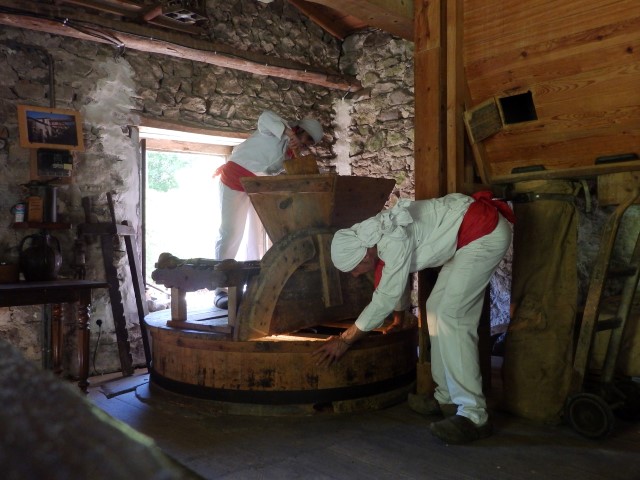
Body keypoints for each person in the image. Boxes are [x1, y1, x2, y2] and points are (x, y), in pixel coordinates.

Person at [313, 192, 514, 444]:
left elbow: (384, 298)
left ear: (365, 255)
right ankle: (446, 398)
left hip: (483, 235)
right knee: (434, 308)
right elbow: (393, 283)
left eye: (354, 269)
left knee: (452, 316)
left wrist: (345, 339)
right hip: (466, 241)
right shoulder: (375, 237)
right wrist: (398, 319)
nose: (354, 276)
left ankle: (474, 415)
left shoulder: (390, 240)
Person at [213, 110, 324, 309]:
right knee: (230, 232)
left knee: (257, 236)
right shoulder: (274, 130)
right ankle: (220, 288)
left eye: (309, 145)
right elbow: (264, 116)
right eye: (306, 140)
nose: (305, 146)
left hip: (257, 187)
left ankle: (252, 286)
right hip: (233, 180)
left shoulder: (289, 155)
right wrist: (288, 134)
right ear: (299, 130)